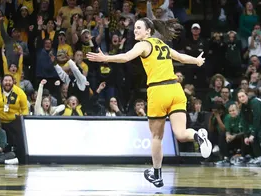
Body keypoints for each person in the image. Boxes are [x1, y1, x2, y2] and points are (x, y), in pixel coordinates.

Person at [86, 17, 212, 188]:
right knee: (181, 134)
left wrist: (105, 58)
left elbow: (126, 57)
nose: (135, 30)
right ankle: (198, 135)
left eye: (139, 28)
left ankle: (157, 175)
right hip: (176, 89)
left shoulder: (144, 44)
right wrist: (196, 61)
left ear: (148, 31)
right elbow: (181, 57)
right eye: (135, 28)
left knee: (156, 137)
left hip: (158, 91)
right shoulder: (162, 44)